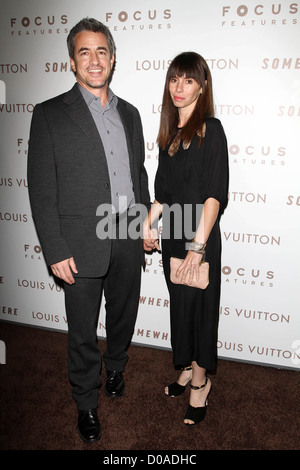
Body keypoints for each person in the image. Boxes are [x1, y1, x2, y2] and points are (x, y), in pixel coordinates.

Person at [27, 18, 150, 443]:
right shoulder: (48, 115)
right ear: (72, 61)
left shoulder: (130, 114)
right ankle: (85, 401)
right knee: (82, 329)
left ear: (112, 59)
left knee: (123, 314)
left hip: (129, 234)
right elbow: (41, 190)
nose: (94, 60)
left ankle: (115, 365)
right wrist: (54, 248)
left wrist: (146, 221)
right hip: (79, 243)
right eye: (85, 52)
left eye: (101, 51)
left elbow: (138, 174)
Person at [144, 52, 229, 426]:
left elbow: (214, 194)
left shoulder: (212, 128)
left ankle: (200, 382)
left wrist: (198, 245)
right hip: (174, 235)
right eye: (174, 79)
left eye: (189, 80)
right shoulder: (169, 135)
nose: (179, 88)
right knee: (180, 306)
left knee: (199, 311)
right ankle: (185, 366)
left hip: (200, 236)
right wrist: (147, 224)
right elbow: (162, 192)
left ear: (202, 86)